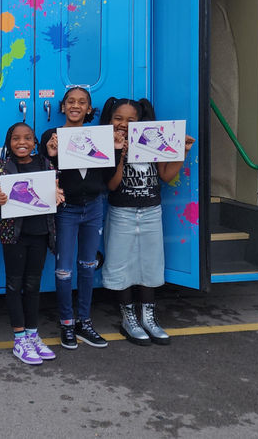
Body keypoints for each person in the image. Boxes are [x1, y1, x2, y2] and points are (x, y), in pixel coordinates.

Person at [100, 97, 194, 345]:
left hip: (151, 212)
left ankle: (149, 317)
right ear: (110, 120)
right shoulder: (106, 145)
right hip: (121, 212)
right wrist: (120, 151)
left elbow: (165, 175)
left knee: (150, 265)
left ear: (141, 123)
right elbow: (112, 185)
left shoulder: (152, 141)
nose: (123, 124)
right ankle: (128, 317)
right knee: (121, 265)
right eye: (118, 118)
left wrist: (181, 153)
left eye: (131, 120)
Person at [40, 86, 113, 350]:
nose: (76, 105)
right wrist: (50, 154)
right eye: (70, 101)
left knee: (87, 265)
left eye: (82, 102)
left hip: (93, 207)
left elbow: (107, 174)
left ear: (89, 109)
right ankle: (67, 323)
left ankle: (84, 321)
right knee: (63, 270)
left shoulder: (99, 136)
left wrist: (115, 150)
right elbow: (44, 174)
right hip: (66, 210)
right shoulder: (52, 136)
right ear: (62, 107)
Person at [0, 122, 63, 365]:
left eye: (28, 138)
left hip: (40, 233)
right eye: (16, 138)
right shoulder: (1, 167)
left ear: (35, 142)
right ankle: (19, 337)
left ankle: (33, 334)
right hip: (14, 236)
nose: (22, 142)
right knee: (14, 284)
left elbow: (56, 193)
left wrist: (58, 194)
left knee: (33, 284)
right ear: (8, 142)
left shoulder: (45, 164)